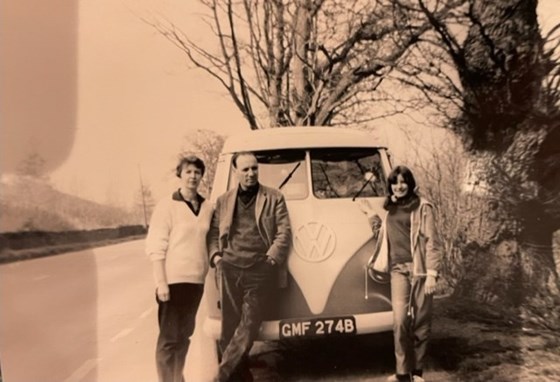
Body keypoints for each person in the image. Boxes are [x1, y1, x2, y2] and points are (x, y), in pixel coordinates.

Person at [208, 151, 292, 382]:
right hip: (229, 268)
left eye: (254, 168)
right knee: (228, 329)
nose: (251, 173)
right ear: (235, 172)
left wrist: (271, 260)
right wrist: (217, 257)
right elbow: (214, 232)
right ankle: (241, 378)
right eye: (245, 169)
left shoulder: (274, 197)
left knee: (248, 326)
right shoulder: (223, 200)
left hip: (260, 270)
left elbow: (284, 233)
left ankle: (219, 377)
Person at [358, 165, 443, 382]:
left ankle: (417, 373)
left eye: (403, 181)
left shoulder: (423, 207)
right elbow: (382, 237)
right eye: (395, 182)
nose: (399, 186)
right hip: (398, 271)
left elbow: (433, 241)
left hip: (420, 270)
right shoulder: (391, 209)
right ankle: (402, 373)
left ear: (410, 184)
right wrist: (370, 214)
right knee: (399, 322)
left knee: (421, 322)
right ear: (390, 186)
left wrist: (432, 273)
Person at [145, 155, 214, 382]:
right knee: (169, 339)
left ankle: (178, 378)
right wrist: (161, 282)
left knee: (185, 336)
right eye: (188, 172)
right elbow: (156, 245)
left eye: (197, 172)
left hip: (195, 282)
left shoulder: (207, 207)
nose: (193, 176)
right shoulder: (167, 206)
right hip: (172, 283)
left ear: (201, 176)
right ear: (180, 175)